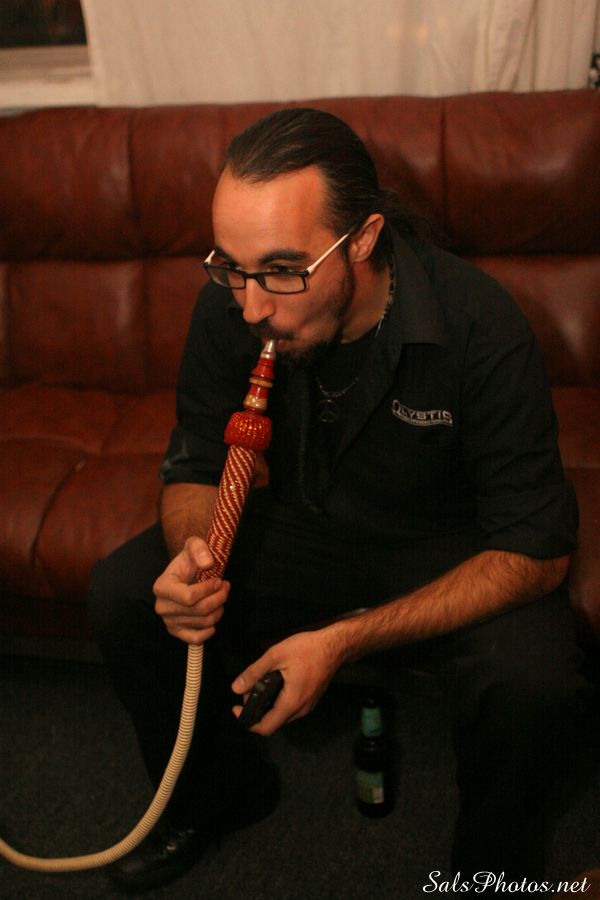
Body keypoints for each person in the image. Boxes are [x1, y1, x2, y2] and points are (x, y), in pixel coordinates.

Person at [88, 108, 591, 892]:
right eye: (232, 268)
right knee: (124, 591)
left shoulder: (478, 325)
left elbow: (537, 550)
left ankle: (491, 872)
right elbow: (195, 463)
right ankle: (219, 798)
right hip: (303, 532)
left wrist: (343, 640)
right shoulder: (235, 303)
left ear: (362, 240)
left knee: (536, 679)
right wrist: (197, 553)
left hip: (441, 552)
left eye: (283, 270)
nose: (253, 307)